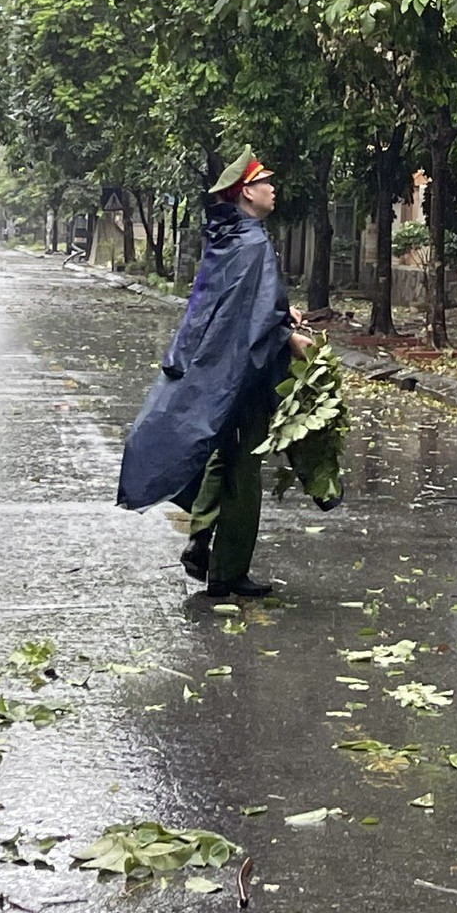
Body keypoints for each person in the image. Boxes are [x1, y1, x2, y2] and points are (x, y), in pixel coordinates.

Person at [115, 152, 312, 597]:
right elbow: (248, 317)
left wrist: (283, 312)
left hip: (217, 371)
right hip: (242, 374)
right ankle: (228, 572)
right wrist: (287, 336)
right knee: (244, 471)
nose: (273, 188)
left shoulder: (229, 239)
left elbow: (234, 305)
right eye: (265, 182)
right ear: (246, 191)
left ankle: (201, 542)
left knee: (222, 454)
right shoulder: (254, 243)